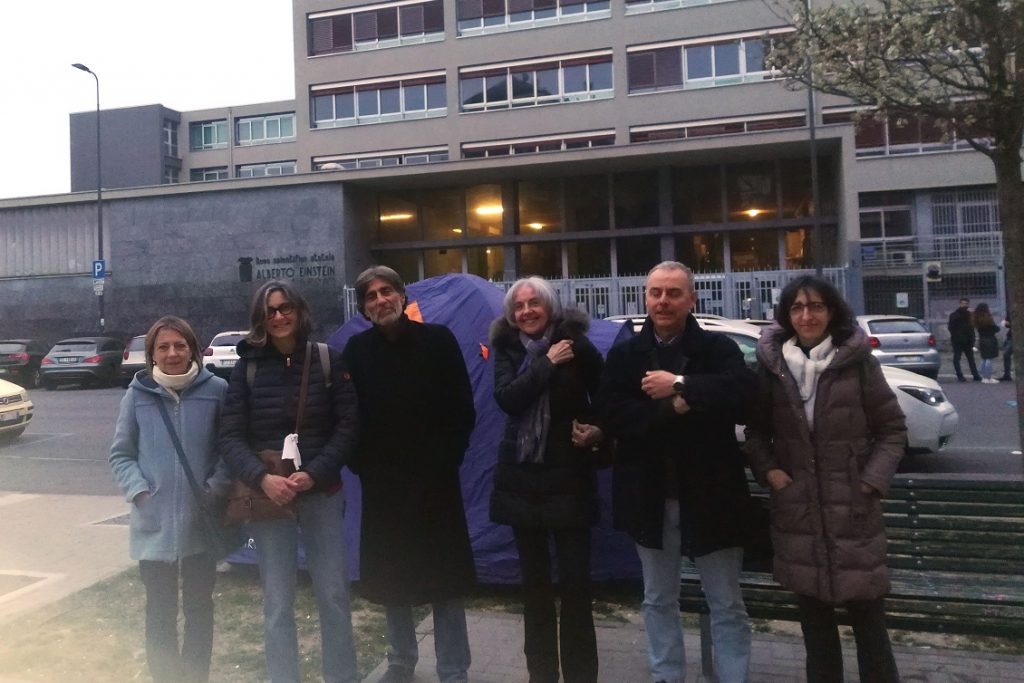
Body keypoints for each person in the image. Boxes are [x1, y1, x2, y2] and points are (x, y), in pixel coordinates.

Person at [599, 261, 757, 683]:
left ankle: (733, 677)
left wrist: (683, 384)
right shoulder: (625, 354)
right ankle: (666, 676)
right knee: (657, 599)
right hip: (649, 495)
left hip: (711, 495)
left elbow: (744, 394)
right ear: (645, 298)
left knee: (726, 601)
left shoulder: (718, 349)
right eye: (655, 292)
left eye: (673, 293)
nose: (663, 301)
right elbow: (616, 418)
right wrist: (676, 407)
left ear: (692, 299)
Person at [745, 274, 906, 683]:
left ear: (831, 311)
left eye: (816, 306)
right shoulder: (773, 366)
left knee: (870, 627)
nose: (807, 315)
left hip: (853, 513)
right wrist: (770, 471)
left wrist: (870, 482)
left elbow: (892, 429)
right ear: (786, 314)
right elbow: (756, 431)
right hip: (799, 515)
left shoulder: (856, 362)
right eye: (797, 307)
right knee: (816, 632)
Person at [218, 280, 359, 683]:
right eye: (270, 311)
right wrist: (263, 480)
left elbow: (348, 427)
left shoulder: (329, 360)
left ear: (299, 311)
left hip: (321, 493)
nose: (278, 317)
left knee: (332, 596)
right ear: (259, 318)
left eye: (285, 308)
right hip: (270, 499)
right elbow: (230, 436)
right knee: (278, 603)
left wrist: (315, 472)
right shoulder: (246, 370)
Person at [342, 265, 477, 683]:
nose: (380, 300)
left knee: (445, 581)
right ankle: (401, 661)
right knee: (391, 578)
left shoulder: (438, 341)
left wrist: (445, 462)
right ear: (364, 307)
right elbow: (349, 419)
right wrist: (364, 466)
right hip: (384, 487)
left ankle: (454, 669)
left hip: (436, 483)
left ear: (402, 296)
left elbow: (462, 410)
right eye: (371, 296)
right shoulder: (357, 351)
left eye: (387, 291)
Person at [490, 277, 605, 683]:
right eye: (518, 306)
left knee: (575, 590)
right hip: (523, 483)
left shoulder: (576, 343)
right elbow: (507, 398)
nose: (526, 312)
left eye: (533, 303)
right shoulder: (506, 348)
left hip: (569, 479)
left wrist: (596, 429)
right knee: (535, 591)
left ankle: (580, 676)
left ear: (550, 306)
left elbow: (605, 397)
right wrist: (547, 363)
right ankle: (541, 674)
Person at [109, 316, 230, 683]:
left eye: (180, 345)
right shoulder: (138, 395)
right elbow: (121, 453)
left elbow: (228, 450)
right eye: (163, 347)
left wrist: (216, 487)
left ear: (193, 349)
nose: (172, 353)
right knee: (159, 613)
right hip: (154, 525)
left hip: (200, 523)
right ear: (151, 355)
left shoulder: (217, 391)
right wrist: (140, 491)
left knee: (199, 610)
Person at [948, 298, 981, 382]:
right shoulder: (955, 315)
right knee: (958, 357)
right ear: (960, 304)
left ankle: (975, 375)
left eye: (966, 304)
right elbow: (951, 327)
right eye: (963, 304)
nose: (965, 305)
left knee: (970, 358)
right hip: (958, 340)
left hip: (967, 339)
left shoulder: (969, 314)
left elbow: (973, 325)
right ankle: (960, 375)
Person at [973, 302, 1001, 383]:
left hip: (982, 339)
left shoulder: (976, 318)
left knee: (984, 358)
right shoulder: (988, 318)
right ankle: (988, 376)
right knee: (989, 358)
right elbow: (995, 329)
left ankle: (984, 377)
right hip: (990, 339)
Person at [1000, 313, 1013, 381]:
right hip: (1011, 336)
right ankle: (1007, 375)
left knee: (1006, 354)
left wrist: (1010, 324)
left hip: (1014, 337)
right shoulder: (1011, 310)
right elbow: (1006, 323)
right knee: (1006, 354)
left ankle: (1007, 375)